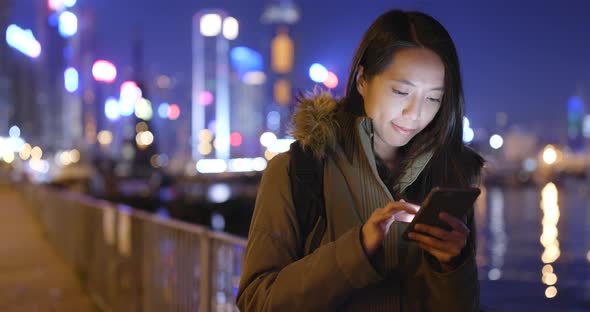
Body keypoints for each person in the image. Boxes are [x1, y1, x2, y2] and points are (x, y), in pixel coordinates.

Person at [237, 9, 484, 311]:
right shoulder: (296, 171)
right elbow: (256, 301)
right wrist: (357, 251)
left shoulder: (450, 176)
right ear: (362, 80)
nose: (415, 113)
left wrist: (453, 266)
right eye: (401, 91)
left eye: (433, 98)